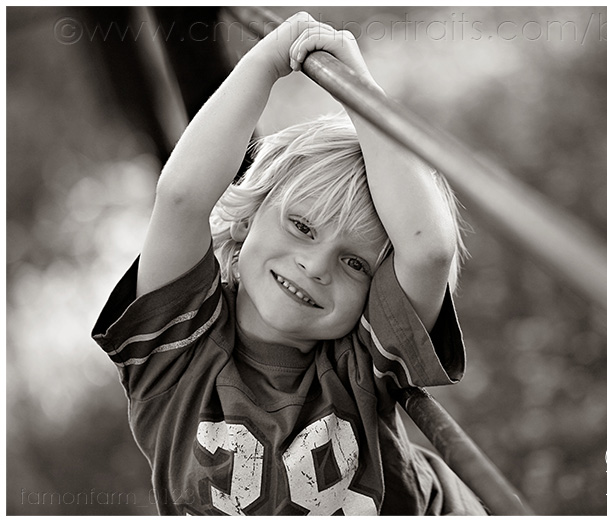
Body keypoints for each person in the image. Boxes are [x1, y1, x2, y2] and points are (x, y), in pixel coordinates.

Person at [92, 12, 485, 515]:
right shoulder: (178, 352)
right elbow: (181, 197)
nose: (317, 266)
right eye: (301, 226)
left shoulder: (359, 361)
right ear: (246, 219)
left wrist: (358, 90)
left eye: (355, 263)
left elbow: (428, 250)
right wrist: (267, 61)